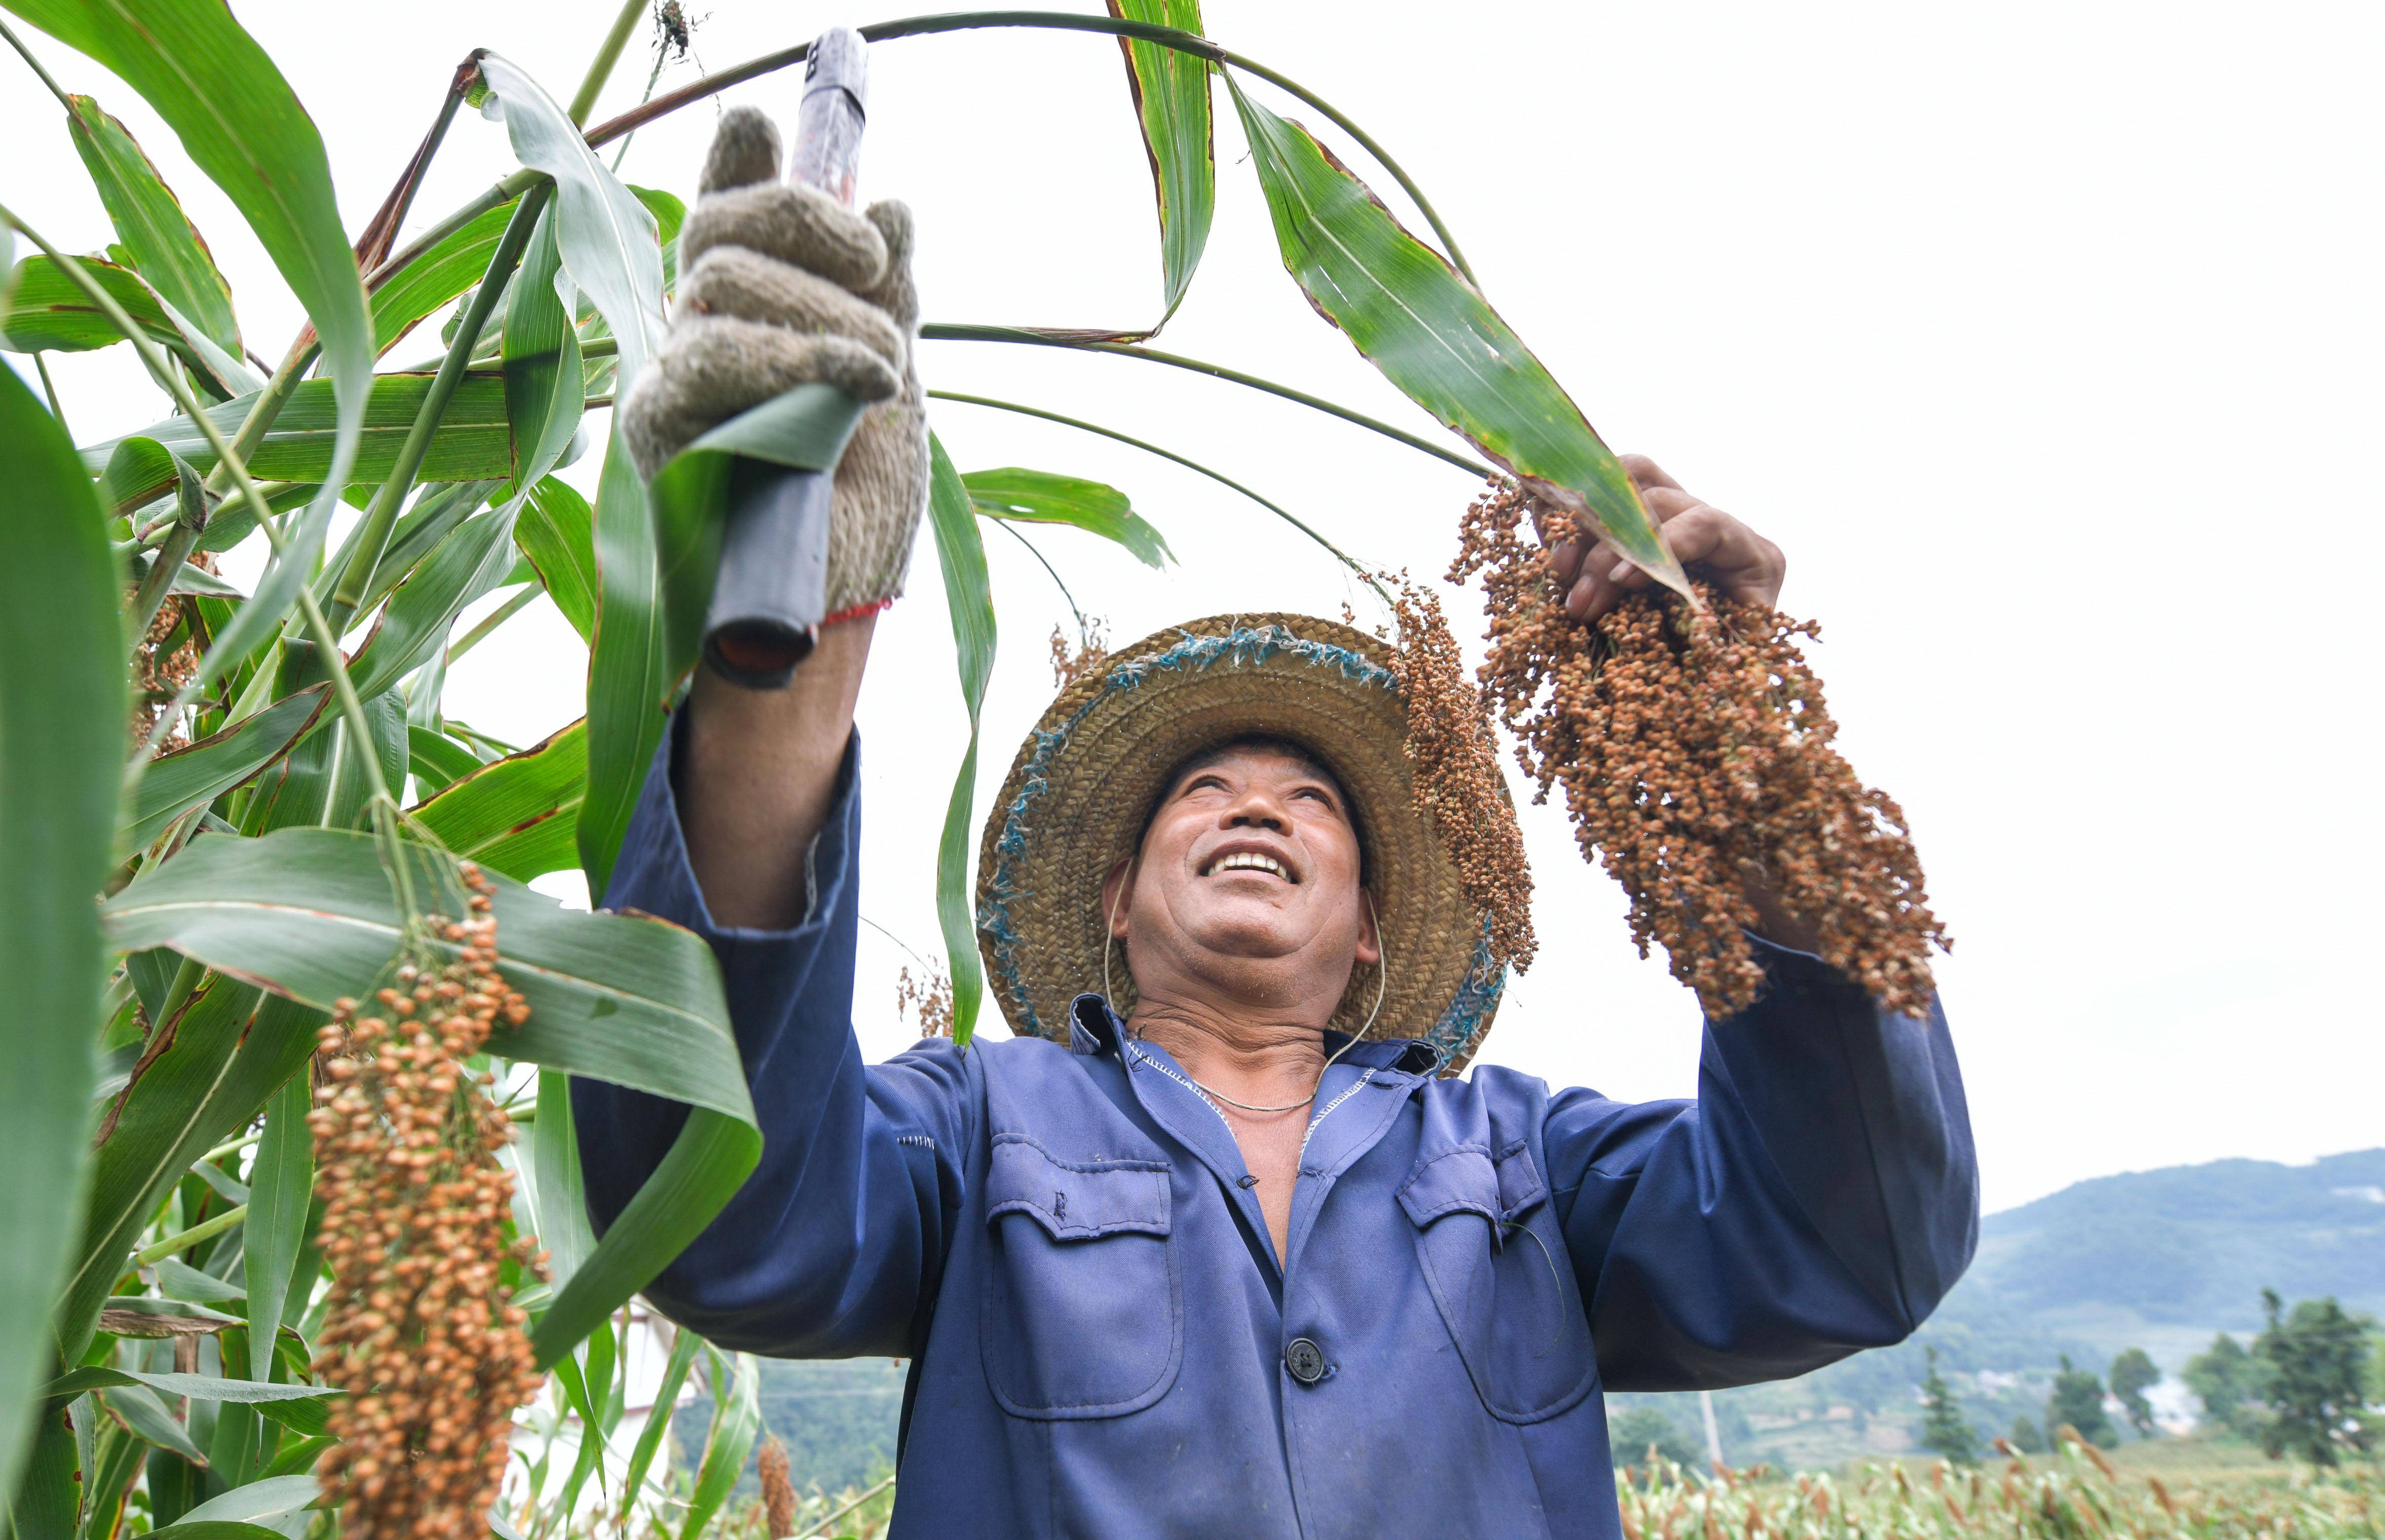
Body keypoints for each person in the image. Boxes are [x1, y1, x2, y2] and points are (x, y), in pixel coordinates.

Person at [574, 107, 1977, 1539]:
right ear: (1116, 900)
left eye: (1316, 801)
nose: (1258, 802)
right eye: (1206, 790)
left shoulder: (1518, 1165)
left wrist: (1740, 753)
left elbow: (1845, 1244)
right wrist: (800, 636)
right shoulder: (982, 1131)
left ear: (1370, 925)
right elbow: (725, 1217)